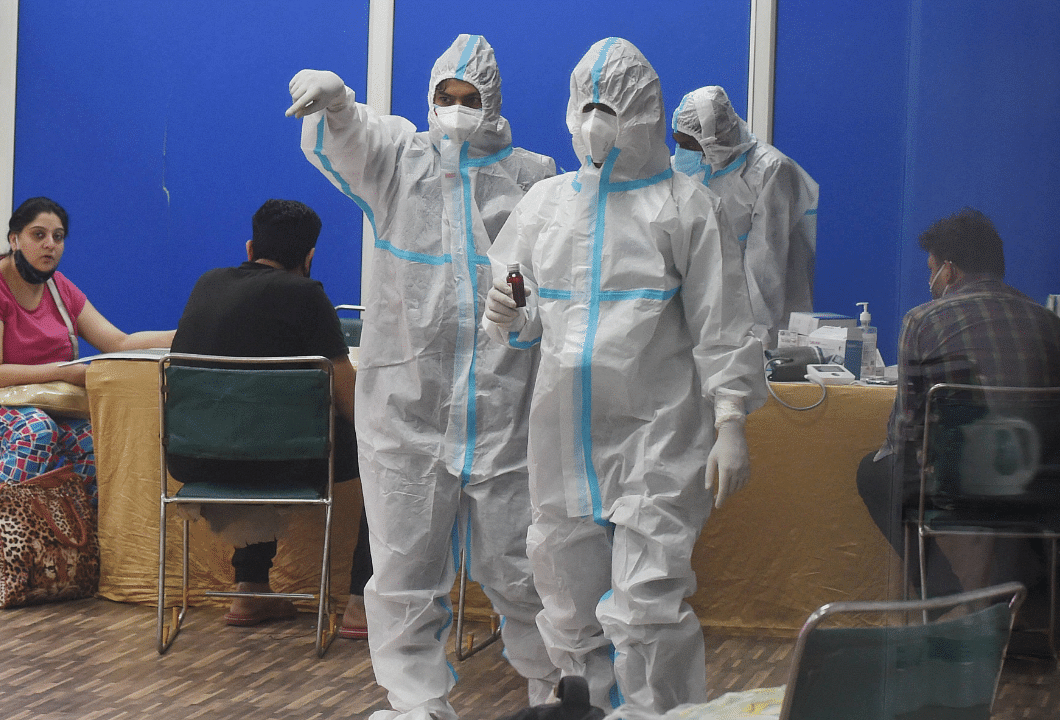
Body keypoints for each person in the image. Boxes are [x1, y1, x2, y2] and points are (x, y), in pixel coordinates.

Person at [483, 38, 766, 716]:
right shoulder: (546, 203)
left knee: (647, 605)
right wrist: (507, 312)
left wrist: (730, 420)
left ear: (640, 112)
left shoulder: (684, 207)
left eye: (605, 107)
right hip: (563, 434)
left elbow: (722, 325)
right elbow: (521, 314)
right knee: (567, 599)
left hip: (656, 434)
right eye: (583, 107)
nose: (590, 123)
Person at [286, 33, 558, 720]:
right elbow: (358, 141)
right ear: (430, 97)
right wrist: (341, 104)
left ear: (491, 102)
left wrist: (527, 314)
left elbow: (555, 284)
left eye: (470, 100)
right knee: (405, 570)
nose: (457, 110)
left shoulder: (533, 173)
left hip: (502, 406)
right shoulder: (403, 161)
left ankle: (560, 691)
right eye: (446, 97)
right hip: (408, 406)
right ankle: (416, 702)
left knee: (521, 569)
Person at [167, 199, 373, 637]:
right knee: (391, 458)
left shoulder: (206, 283)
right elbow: (347, 395)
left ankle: (250, 589)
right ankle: (360, 604)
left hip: (196, 460)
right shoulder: (308, 295)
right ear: (310, 258)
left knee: (252, 430)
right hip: (289, 463)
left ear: (249, 248)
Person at [856, 207, 1060, 594]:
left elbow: (905, 430)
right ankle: (1025, 601)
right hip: (1043, 485)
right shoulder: (1050, 323)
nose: (930, 279)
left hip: (959, 485)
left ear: (949, 270)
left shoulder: (922, 321)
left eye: (931, 269)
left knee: (875, 472)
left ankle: (941, 591)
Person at [0, 196, 173, 492]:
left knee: (101, 438)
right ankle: (0, 535)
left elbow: (118, 341)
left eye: (58, 237)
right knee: (35, 431)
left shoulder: (58, 286)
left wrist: (186, 334)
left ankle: (75, 536)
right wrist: (62, 372)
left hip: (37, 399)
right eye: (39, 235)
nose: (50, 243)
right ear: (14, 239)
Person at [671, 86, 818, 349]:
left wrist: (755, 340)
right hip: (702, 314)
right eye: (678, 142)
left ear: (713, 142)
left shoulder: (769, 170)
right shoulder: (693, 168)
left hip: (757, 317)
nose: (681, 152)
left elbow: (765, 267)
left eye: (688, 144)